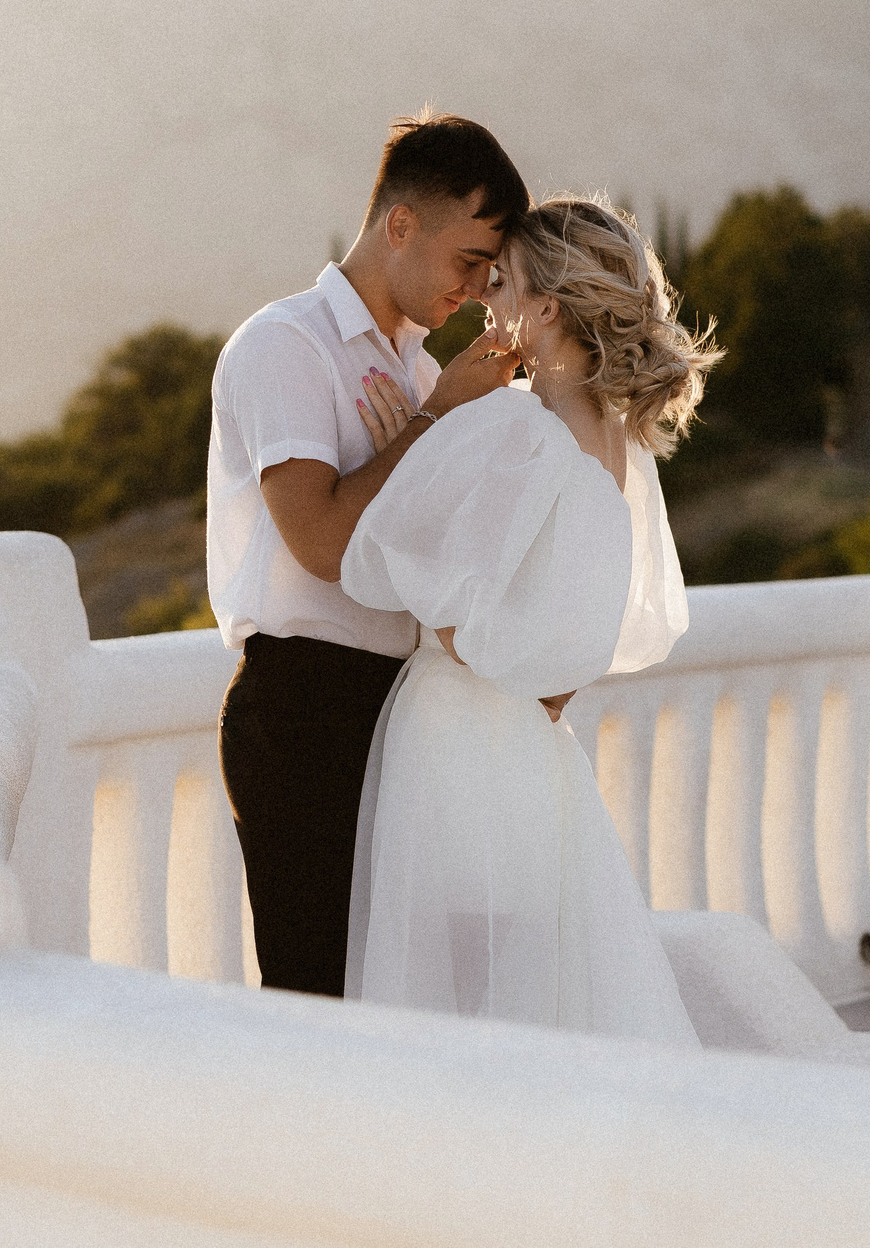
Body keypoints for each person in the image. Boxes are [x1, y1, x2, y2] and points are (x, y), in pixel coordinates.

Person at [338, 194, 720, 1043]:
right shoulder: (617, 446)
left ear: (546, 308)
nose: (484, 298)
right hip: (536, 753)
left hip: (456, 738)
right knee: (530, 993)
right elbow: (585, 633)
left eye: (502, 281)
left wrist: (422, 428)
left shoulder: (518, 431)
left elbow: (378, 561)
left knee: (448, 1001)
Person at [207, 111, 530, 997]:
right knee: (316, 997)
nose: (476, 289)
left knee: (399, 1003)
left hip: (403, 713)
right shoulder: (286, 346)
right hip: (304, 707)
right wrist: (431, 429)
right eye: (470, 260)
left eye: (491, 273)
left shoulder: (423, 368)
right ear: (400, 225)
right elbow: (320, 541)